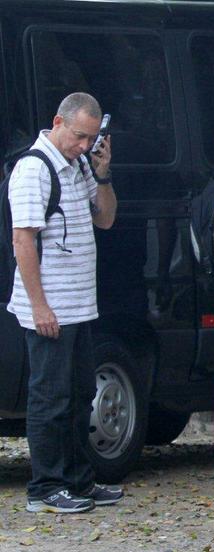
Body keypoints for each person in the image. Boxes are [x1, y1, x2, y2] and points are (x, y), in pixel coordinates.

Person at [9, 92, 120, 513]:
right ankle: (45, 487)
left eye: (91, 139)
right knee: (50, 398)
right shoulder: (33, 169)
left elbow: (105, 219)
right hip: (50, 306)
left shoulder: (77, 165)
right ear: (57, 122)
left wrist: (103, 173)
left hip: (79, 305)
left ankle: (78, 480)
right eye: (78, 137)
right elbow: (24, 240)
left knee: (78, 395)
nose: (84, 146)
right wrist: (39, 306)